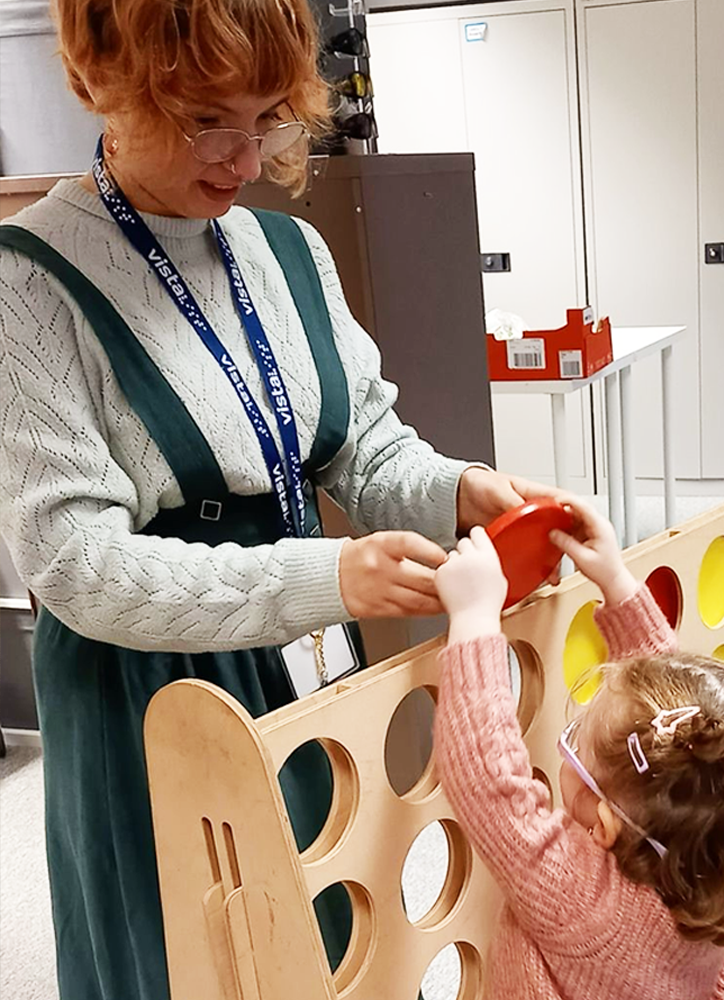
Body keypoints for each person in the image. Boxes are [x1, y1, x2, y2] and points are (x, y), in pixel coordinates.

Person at [0, 1, 557, 997]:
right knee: (196, 959)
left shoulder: (286, 254)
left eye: (268, 119)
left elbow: (366, 453)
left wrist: (464, 490)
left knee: (336, 934)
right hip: (150, 696)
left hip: (301, 662)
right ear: (104, 79)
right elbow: (77, 566)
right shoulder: (28, 283)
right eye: (208, 118)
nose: (245, 157)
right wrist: (329, 573)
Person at [433, 500, 724, 999]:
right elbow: (678, 729)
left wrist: (474, 617)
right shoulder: (715, 871)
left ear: (602, 825)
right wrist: (616, 583)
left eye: (576, 743)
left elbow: (490, 786)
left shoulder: (584, 902)